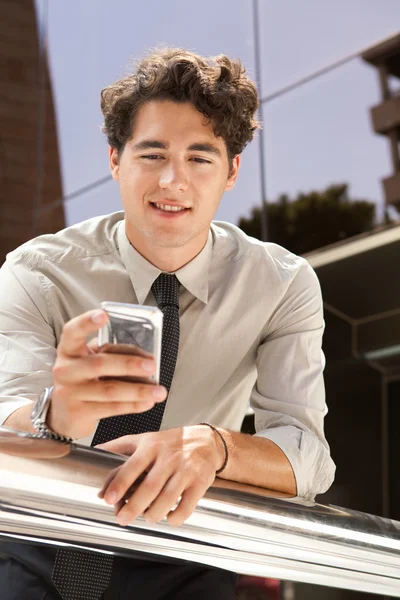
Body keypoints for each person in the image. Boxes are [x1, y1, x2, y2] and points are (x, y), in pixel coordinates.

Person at [0, 47, 335, 599]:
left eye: (200, 158)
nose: (173, 181)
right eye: (152, 154)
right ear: (115, 160)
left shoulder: (282, 284)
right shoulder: (38, 271)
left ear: (231, 172)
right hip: (41, 535)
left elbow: (306, 458)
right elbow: (5, 423)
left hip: (185, 545)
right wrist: (53, 413)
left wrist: (216, 446)